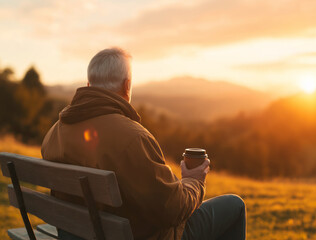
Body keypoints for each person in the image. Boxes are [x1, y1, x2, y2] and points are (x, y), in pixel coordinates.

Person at [41, 47, 246, 240]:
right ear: (127, 85)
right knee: (234, 206)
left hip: (79, 233)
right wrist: (194, 181)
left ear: (88, 85)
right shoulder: (132, 138)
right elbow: (171, 212)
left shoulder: (55, 131)